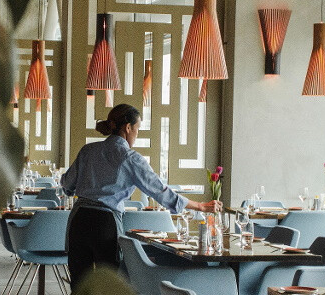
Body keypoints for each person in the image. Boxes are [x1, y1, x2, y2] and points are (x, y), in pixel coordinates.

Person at [61, 103, 222, 289]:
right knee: (111, 286)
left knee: (79, 285)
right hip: (105, 224)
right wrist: (199, 206)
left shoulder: (88, 150)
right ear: (127, 128)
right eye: (137, 129)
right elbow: (159, 191)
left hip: (79, 220)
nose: (136, 135)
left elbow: (66, 184)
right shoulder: (130, 157)